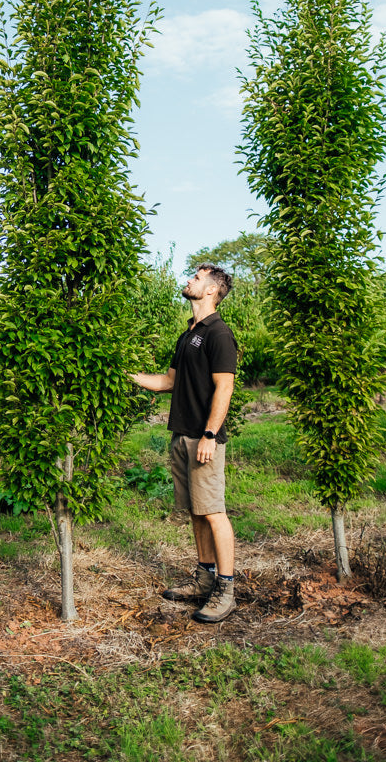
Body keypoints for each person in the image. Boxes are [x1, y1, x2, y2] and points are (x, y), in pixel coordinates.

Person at [130, 263, 238, 623]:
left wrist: (209, 434)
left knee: (213, 511)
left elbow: (225, 387)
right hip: (182, 435)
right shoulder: (188, 333)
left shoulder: (218, 333)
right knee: (196, 511)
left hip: (203, 438)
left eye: (196, 277)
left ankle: (225, 589)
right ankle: (204, 577)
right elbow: (167, 381)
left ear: (211, 290)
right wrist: (127, 374)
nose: (189, 280)